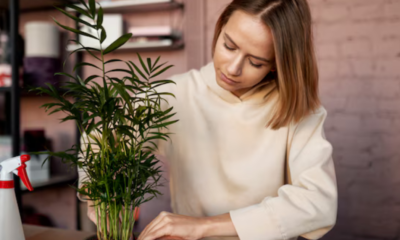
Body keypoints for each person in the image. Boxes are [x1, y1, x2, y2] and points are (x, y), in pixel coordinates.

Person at [79, 0, 338, 239]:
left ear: (276, 64)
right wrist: (99, 199)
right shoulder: (174, 96)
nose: (233, 68)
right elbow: (99, 139)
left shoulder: (299, 109)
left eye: (256, 62)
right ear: (220, 28)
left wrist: (203, 226)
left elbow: (318, 202)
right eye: (229, 46)